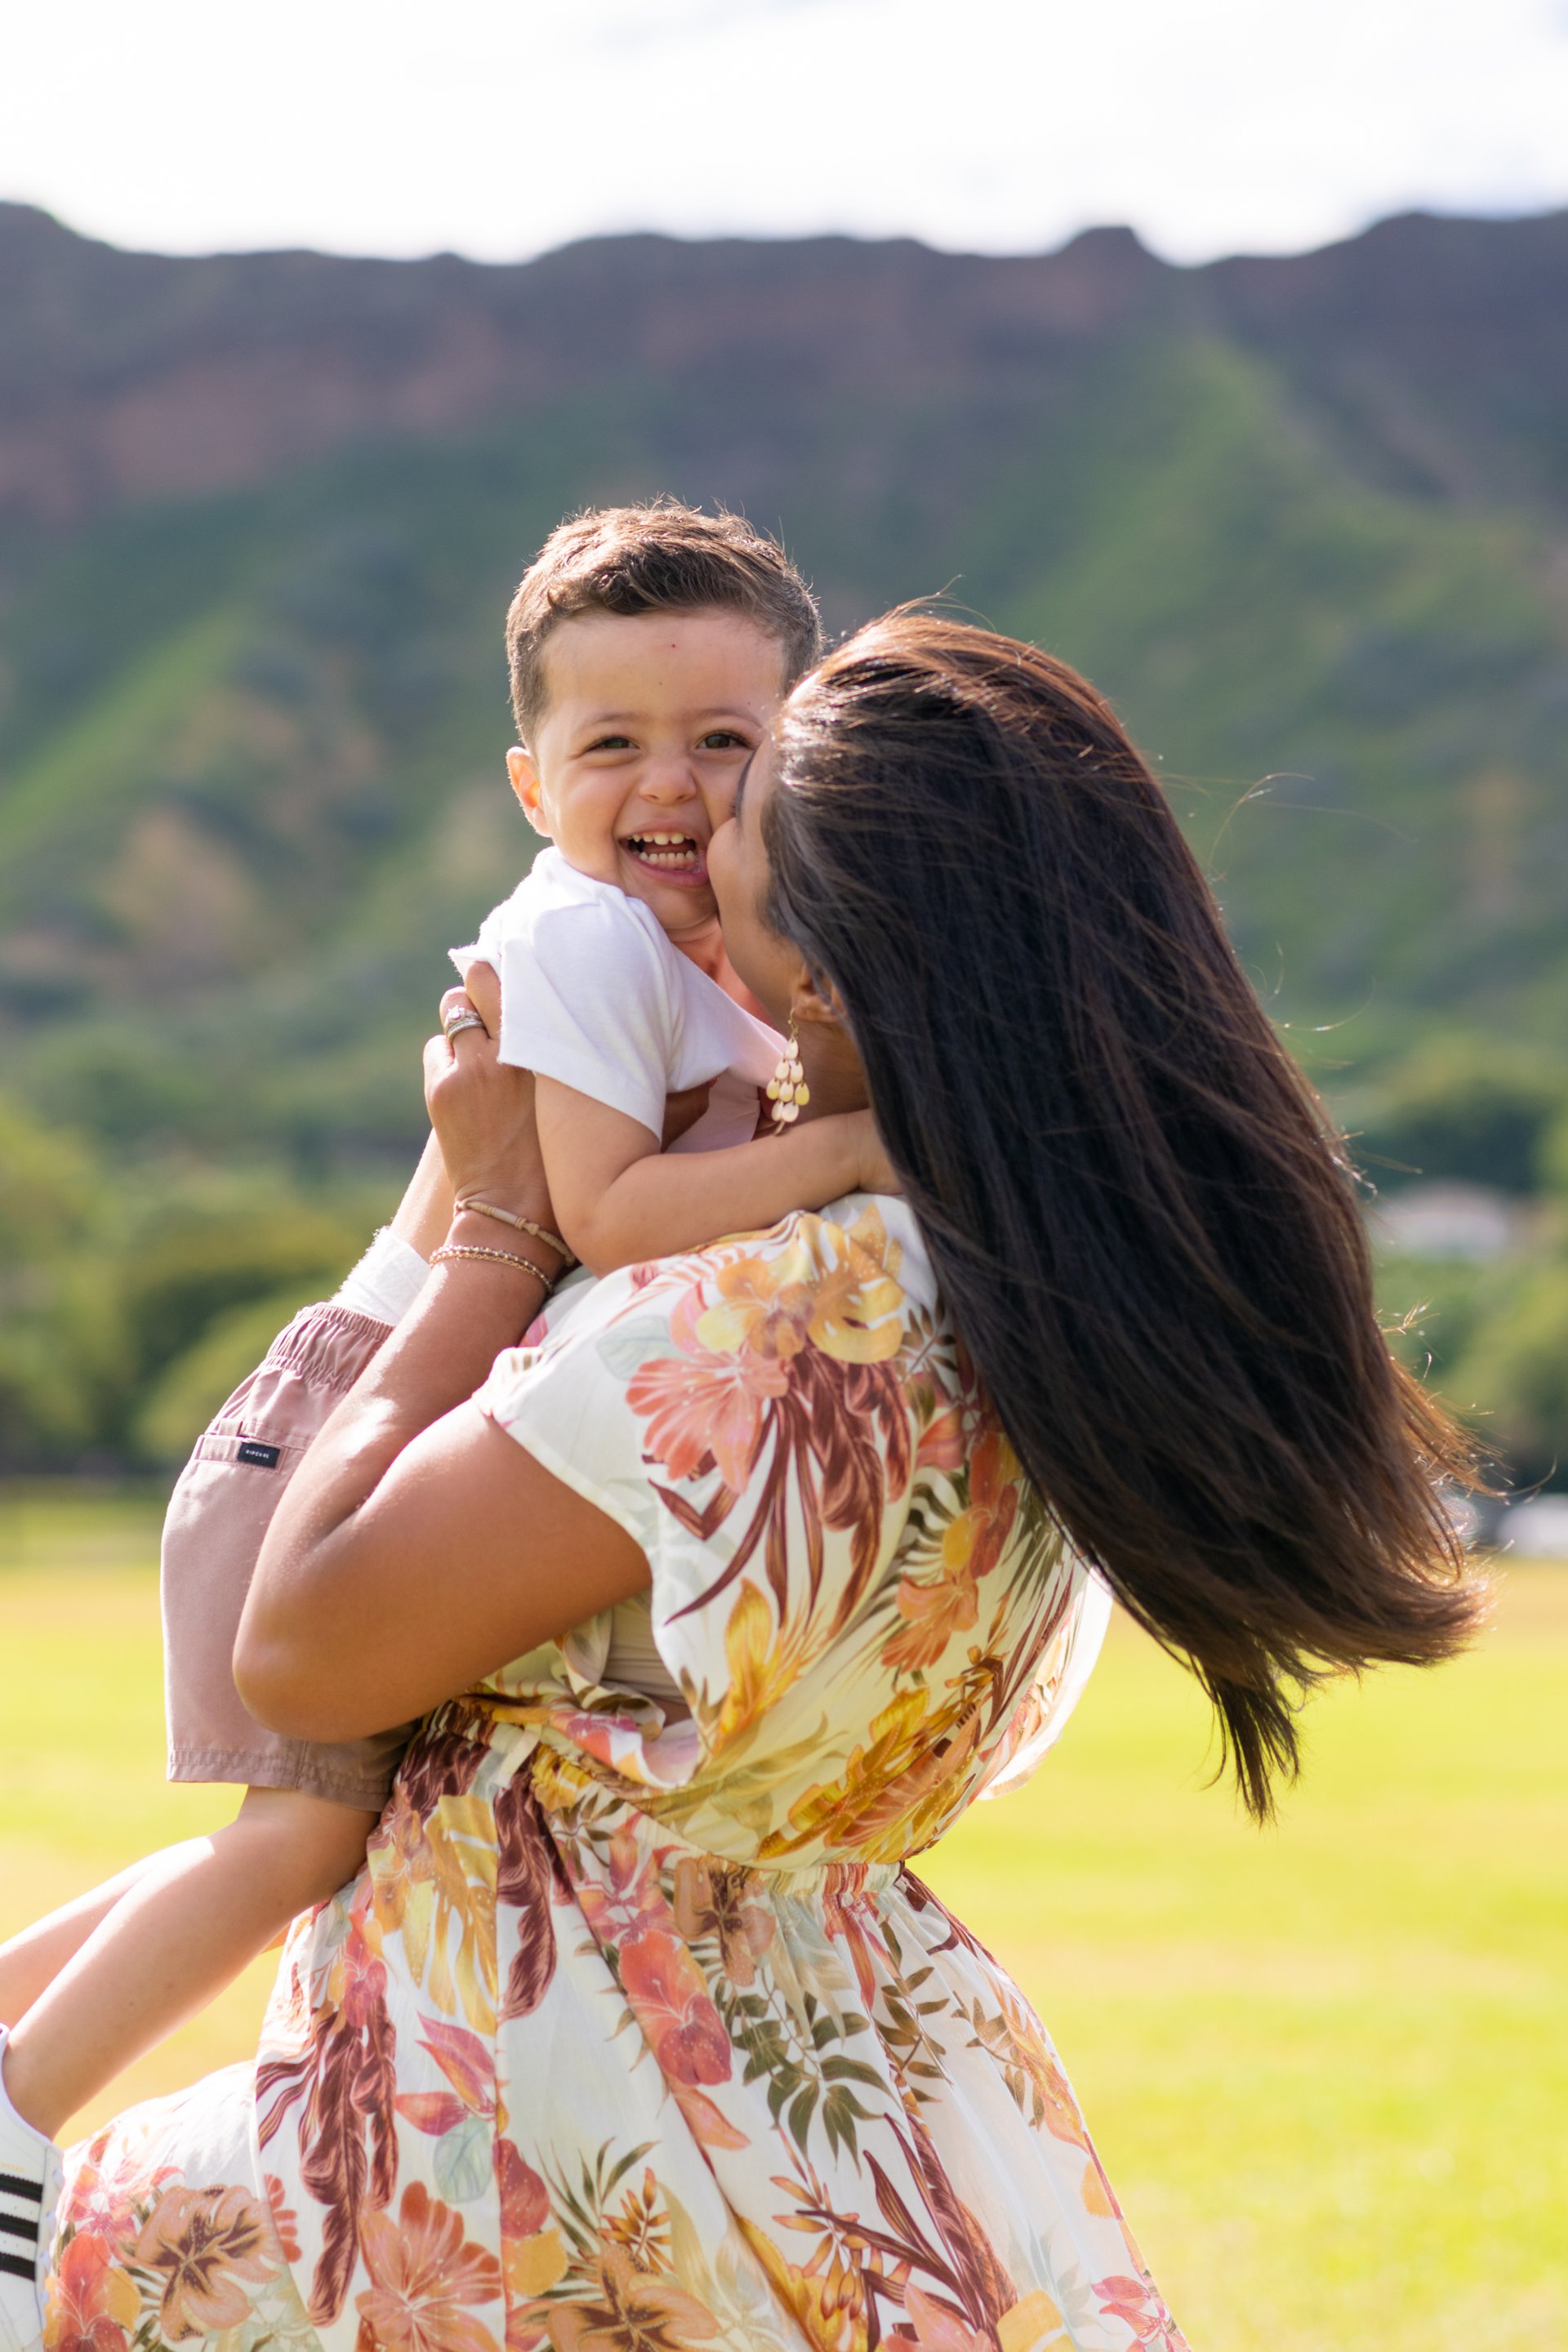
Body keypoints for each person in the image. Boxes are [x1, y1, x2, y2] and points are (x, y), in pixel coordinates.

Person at [17, 612, 1480, 2352]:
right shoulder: (1056, 1291)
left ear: (827, 974)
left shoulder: (775, 1308)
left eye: (740, 821)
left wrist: (494, 1224)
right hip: (853, 2102)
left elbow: (308, 1652)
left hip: (534, 2119)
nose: (692, 845)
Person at [0, 504, 890, 2323]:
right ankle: (17, 2143)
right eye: (611, 746)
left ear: (795, 751)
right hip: (335, 1443)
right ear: (525, 778)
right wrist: (864, 1146)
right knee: (298, 1848)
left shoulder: (709, 957)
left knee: (270, 1836)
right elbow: (616, 1215)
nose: (671, 787)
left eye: (725, 743)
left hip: (389, 1446)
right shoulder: (576, 945)